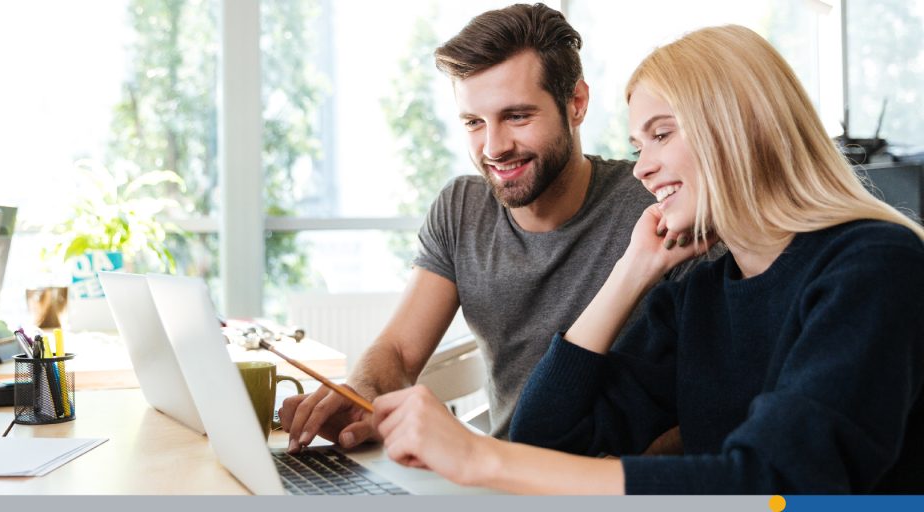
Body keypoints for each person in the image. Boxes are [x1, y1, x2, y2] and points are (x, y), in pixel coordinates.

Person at [369, 24, 924, 494]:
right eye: (639, 146)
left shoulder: (873, 264)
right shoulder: (699, 295)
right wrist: (631, 271)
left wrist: (481, 459)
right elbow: (546, 438)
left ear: (741, 127)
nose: (642, 168)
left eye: (661, 135)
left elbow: (776, 484)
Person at [279, 4, 699, 451]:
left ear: (576, 104)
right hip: (493, 475)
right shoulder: (462, 208)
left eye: (517, 116)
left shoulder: (658, 204)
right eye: (474, 122)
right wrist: (361, 391)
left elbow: (705, 410)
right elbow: (399, 351)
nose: (494, 147)